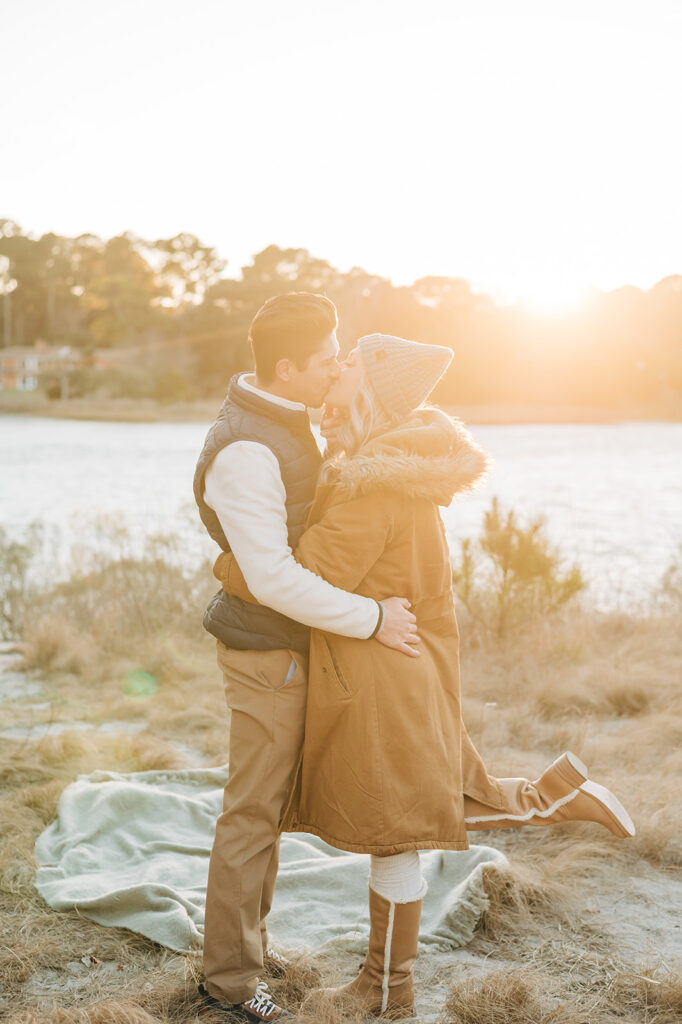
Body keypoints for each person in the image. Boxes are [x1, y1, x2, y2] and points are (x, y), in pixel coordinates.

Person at [214, 332, 636, 1021]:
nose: (333, 376)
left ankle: (386, 993)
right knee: (411, 813)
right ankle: (547, 800)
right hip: (401, 670)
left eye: (347, 366)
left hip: (379, 677)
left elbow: (304, 577)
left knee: (394, 825)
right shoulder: (393, 464)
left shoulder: (371, 485)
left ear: (374, 386)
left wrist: (232, 565)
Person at [192, 294, 420, 1024]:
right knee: (253, 813)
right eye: (327, 360)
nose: (336, 369)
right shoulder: (248, 450)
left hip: (291, 650)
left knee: (268, 811)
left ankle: (244, 944)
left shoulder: (286, 422)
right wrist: (373, 618)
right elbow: (274, 578)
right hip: (266, 656)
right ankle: (229, 982)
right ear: (287, 368)